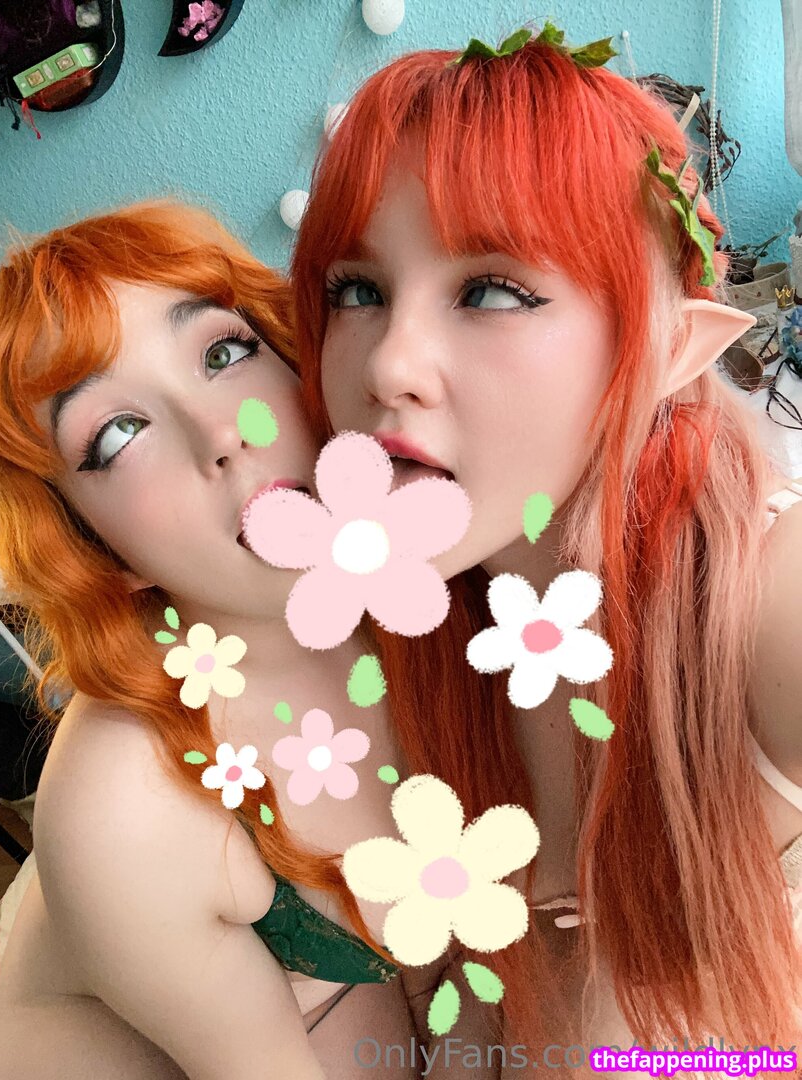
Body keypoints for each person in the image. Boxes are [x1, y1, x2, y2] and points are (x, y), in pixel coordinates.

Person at [289, 25, 802, 1066]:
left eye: (492, 291)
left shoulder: (761, 603)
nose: (389, 366)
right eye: (358, 291)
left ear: (674, 346)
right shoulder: (374, 627)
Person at [0, 201, 428, 1080]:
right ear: (89, 546)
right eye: (117, 434)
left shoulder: (434, 577)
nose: (224, 432)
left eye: (224, 353)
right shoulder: (126, 811)